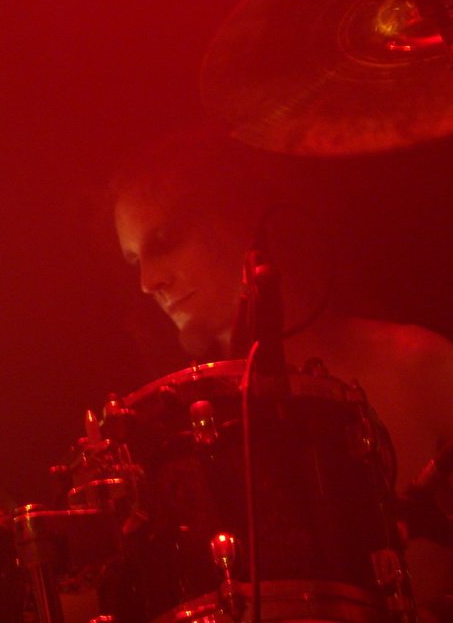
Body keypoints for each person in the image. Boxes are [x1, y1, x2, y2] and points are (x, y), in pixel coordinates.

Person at [110, 126, 453, 622]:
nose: (147, 282)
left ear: (242, 218)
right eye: (134, 261)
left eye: (164, 241)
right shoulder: (182, 450)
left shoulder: (418, 367)